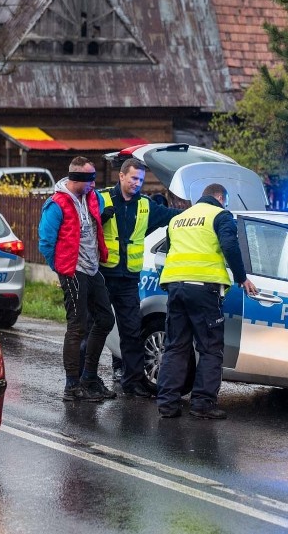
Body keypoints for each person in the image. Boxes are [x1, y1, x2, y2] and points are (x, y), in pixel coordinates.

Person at [156, 183, 259, 420]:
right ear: (221, 197)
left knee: (175, 346)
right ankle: (202, 404)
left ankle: (167, 404)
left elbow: (171, 251)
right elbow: (230, 245)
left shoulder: (180, 219)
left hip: (175, 287)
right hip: (203, 289)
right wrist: (242, 278)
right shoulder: (220, 215)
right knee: (210, 348)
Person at [99, 158, 181, 397]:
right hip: (103, 275)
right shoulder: (101, 199)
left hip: (128, 279)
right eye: (133, 178)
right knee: (95, 327)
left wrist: (199, 212)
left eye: (141, 180)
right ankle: (86, 380)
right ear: (121, 176)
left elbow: (171, 216)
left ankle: (132, 381)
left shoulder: (145, 206)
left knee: (131, 330)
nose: (137, 183)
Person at [39, 156, 116, 402]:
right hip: (73, 270)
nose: (94, 183)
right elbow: (46, 241)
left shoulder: (91, 197)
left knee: (105, 319)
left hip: (93, 269)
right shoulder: (57, 204)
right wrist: (61, 268)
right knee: (77, 326)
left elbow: (96, 223)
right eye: (90, 178)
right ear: (76, 179)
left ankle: (89, 378)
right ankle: (72, 386)